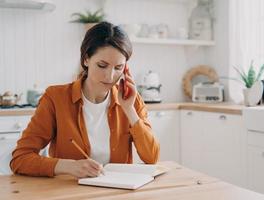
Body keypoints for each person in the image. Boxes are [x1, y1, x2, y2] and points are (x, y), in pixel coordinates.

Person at [10, 21, 160, 178]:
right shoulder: (55, 98)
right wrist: (69, 166)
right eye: (102, 65)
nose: (110, 77)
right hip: (70, 192)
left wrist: (129, 110)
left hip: (118, 193)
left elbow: (152, 158)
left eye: (118, 68)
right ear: (86, 59)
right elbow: (20, 159)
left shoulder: (132, 101)